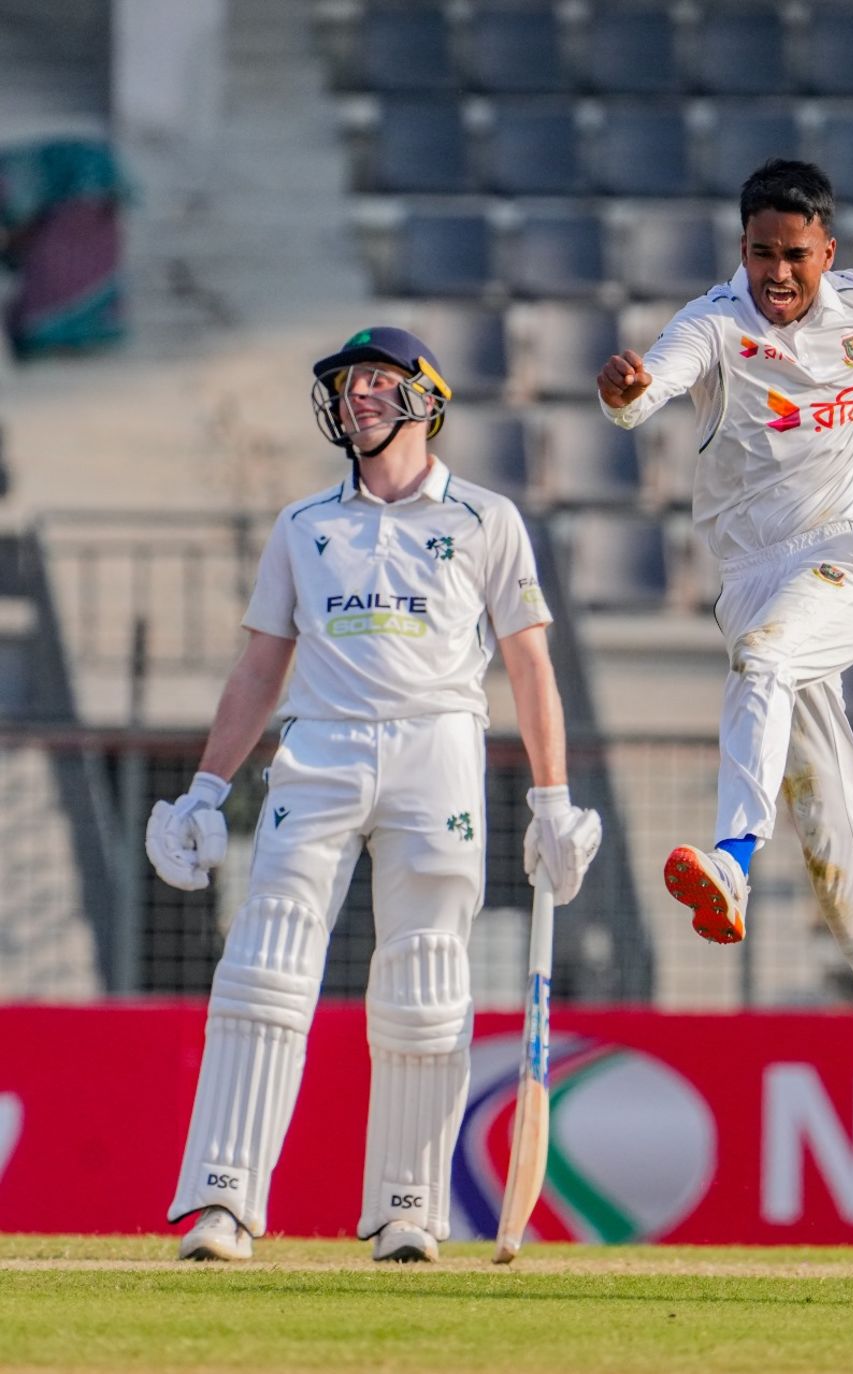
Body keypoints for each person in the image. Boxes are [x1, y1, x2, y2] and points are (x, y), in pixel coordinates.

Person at [146, 326, 601, 1262]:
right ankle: (223, 1201)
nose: (355, 398)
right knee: (264, 967)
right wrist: (202, 789)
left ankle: (407, 1207)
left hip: (438, 751)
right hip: (318, 751)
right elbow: (259, 666)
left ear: (424, 400)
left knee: (426, 979)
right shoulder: (305, 525)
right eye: (348, 385)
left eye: (375, 383)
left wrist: (553, 800)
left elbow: (530, 667)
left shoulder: (486, 519)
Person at [596, 160, 853, 1143]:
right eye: (760, 254)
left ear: (824, 252)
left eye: (794, 256)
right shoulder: (716, 324)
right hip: (754, 583)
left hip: (844, 565)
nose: (776, 275)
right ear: (740, 249)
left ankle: (732, 855)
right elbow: (652, 384)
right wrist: (624, 395)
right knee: (831, 811)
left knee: (760, 661)